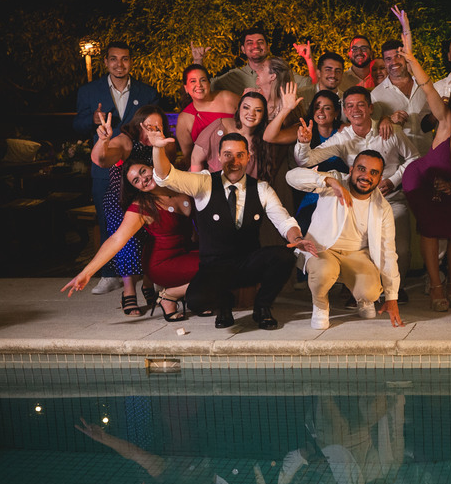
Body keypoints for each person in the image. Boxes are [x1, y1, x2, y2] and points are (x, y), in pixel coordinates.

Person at [150, 130, 303, 330]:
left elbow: (284, 221)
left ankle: (262, 307)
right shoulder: (203, 182)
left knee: (285, 256)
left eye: (240, 154)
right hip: (215, 267)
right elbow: (166, 176)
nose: (234, 160)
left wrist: (297, 237)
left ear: (249, 157)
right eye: (228, 154)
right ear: (219, 157)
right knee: (197, 301)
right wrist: (157, 148)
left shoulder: (261, 188)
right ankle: (224, 305)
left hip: (248, 263)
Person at [295, 86, 419, 278]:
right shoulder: (342, 139)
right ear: (345, 111)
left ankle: (394, 288)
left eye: (361, 105)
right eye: (350, 106)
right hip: (359, 203)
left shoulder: (391, 131)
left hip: (391, 198)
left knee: (399, 249)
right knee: (360, 250)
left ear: (370, 108)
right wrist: (303, 143)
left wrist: (393, 181)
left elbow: (414, 157)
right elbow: (306, 161)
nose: (355, 110)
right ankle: (360, 287)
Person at [63, 151, 199, 322]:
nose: (143, 179)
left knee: (221, 264)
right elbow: (116, 240)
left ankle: (192, 295)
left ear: (151, 166)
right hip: (162, 263)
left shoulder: (179, 185)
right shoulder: (141, 207)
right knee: (215, 270)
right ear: (135, 188)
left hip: (187, 254)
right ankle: (168, 296)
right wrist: (86, 272)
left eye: (143, 171)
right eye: (136, 180)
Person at [73, 40, 160, 295]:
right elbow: (77, 125)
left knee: (145, 220)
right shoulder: (89, 91)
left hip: (140, 167)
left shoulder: (146, 92)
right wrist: (92, 119)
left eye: (124, 59)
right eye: (114, 59)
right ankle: (109, 274)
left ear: (131, 61)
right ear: (106, 62)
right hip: (105, 165)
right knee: (106, 217)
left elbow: (155, 122)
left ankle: (148, 274)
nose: (119, 64)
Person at [400, 53, 451, 311]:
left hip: (444, 186)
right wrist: (412, 59)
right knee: (431, 230)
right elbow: (428, 90)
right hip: (420, 180)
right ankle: (436, 286)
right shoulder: (446, 123)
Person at [286, 150, 404, 329]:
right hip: (324, 249)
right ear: (351, 170)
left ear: (380, 179)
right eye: (361, 169)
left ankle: (364, 300)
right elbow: (291, 176)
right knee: (323, 272)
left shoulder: (383, 208)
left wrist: (392, 297)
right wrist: (329, 181)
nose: (366, 176)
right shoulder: (335, 181)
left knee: (371, 292)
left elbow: (388, 253)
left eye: (373, 173)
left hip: (357, 254)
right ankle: (320, 306)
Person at [89, 105, 170, 315]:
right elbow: (100, 159)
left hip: (149, 199)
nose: (152, 130)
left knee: (153, 239)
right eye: (147, 126)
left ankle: (148, 284)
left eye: (157, 126)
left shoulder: (163, 143)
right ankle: (128, 292)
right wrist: (103, 141)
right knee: (128, 242)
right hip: (121, 201)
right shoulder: (125, 141)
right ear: (138, 125)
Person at [264, 90, 347, 234]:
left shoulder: (344, 131)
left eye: (327, 108)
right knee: (305, 228)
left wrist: (386, 119)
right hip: (313, 194)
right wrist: (285, 109)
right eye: (317, 107)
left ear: (336, 113)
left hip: (342, 191)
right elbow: (269, 136)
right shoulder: (303, 129)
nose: (320, 111)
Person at [192, 91, 275, 181]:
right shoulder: (220, 126)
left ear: (263, 115)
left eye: (258, 110)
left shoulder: (266, 137)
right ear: (239, 109)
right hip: (212, 189)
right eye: (246, 108)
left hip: (247, 192)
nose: (251, 113)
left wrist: (286, 109)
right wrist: (197, 190)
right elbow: (196, 159)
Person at [370, 39, 432, 154]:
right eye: (388, 59)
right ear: (384, 62)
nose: (394, 62)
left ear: (405, 58)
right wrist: (387, 119)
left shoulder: (424, 85)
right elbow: (373, 135)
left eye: (398, 56)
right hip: (400, 162)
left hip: (427, 156)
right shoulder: (376, 95)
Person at [174, 64, 240, 163]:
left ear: (209, 83)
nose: (199, 85)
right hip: (207, 168)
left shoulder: (227, 98)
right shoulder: (184, 119)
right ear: (186, 88)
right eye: (193, 81)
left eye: (203, 80)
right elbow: (189, 157)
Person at [211, 27, 272, 95]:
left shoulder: (281, 73)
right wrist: (198, 60)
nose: (255, 46)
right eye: (250, 43)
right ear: (243, 49)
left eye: (260, 42)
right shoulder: (234, 76)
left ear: (268, 48)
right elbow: (204, 87)